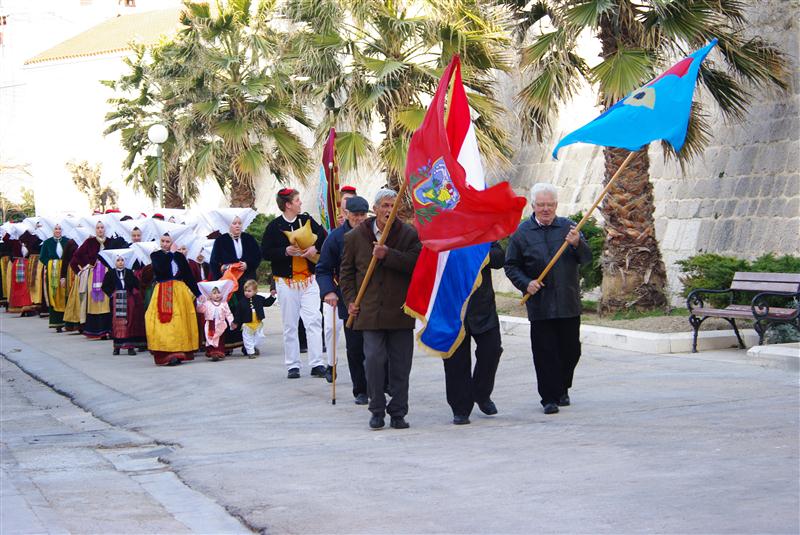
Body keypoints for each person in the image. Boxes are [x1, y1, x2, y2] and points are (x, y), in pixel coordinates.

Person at [504, 183, 592, 415]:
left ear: (556, 205)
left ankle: (562, 387)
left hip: (567, 301)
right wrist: (526, 283)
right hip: (540, 304)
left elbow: (586, 257)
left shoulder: (569, 229)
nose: (545, 209)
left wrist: (577, 243)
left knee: (571, 350)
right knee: (545, 353)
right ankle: (549, 398)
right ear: (533, 206)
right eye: (541, 205)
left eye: (550, 205)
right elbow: (511, 266)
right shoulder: (521, 233)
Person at [340, 188, 421, 430]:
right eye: (384, 205)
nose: (389, 210)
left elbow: (416, 265)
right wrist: (351, 300)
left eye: (393, 205)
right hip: (370, 312)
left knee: (400, 364)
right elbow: (346, 273)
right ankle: (376, 409)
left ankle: (398, 412)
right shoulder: (355, 237)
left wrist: (389, 255)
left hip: (399, 312)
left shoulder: (408, 234)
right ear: (374, 210)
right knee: (374, 360)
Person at [261, 188, 328, 379]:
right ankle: (293, 365)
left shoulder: (306, 220)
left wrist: (315, 247)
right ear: (288, 204)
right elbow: (265, 252)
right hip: (286, 282)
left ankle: (317, 363)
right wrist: (285, 251)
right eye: (297, 200)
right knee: (290, 324)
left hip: (309, 279)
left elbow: (323, 235)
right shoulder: (274, 226)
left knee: (314, 320)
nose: (300, 203)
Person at [443, 242, 506, 425]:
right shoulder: (442, 230)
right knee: (456, 360)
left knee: (492, 350)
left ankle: (481, 393)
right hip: (452, 305)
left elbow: (499, 258)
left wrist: (477, 251)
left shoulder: (482, 230)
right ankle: (460, 408)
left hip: (482, 305)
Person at [317, 195, 370, 403]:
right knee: (356, 347)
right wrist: (328, 291)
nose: (359, 219)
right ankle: (361, 390)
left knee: (377, 346)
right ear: (346, 214)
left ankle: (382, 384)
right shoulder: (336, 238)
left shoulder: (373, 233)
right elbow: (322, 269)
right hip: (349, 297)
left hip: (374, 297)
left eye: (362, 215)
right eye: (355, 215)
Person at [209, 210, 262, 354]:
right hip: (230, 282)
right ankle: (228, 345)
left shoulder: (249, 238)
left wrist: (248, 264)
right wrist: (223, 269)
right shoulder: (221, 240)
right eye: (234, 223)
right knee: (229, 312)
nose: (237, 226)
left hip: (246, 282)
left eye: (239, 223)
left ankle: (248, 345)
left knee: (248, 312)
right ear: (229, 225)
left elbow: (257, 256)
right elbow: (214, 261)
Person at [145, 233, 200, 366]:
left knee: (180, 321)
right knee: (165, 322)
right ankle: (166, 353)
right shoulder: (156, 255)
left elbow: (188, 276)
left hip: (180, 292)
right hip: (163, 290)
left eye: (167, 241)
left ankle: (179, 351)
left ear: (172, 242)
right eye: (163, 241)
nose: (164, 244)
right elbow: (161, 269)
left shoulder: (180, 256)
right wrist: (170, 254)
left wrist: (198, 293)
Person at [69, 219, 113, 339]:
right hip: (93, 276)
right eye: (98, 227)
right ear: (95, 229)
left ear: (105, 229)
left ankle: (108, 329)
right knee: (94, 302)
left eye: (102, 227)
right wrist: (85, 267)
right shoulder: (89, 242)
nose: (100, 230)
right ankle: (96, 330)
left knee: (107, 302)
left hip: (107, 275)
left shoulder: (111, 242)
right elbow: (76, 256)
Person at [100, 249, 146, 355]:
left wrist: (133, 292)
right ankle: (117, 346)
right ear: (114, 262)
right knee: (118, 323)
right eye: (118, 260)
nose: (120, 262)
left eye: (122, 260)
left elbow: (136, 284)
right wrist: (112, 294)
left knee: (129, 322)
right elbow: (105, 286)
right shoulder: (110, 273)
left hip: (128, 300)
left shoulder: (129, 272)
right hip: (117, 300)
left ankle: (130, 346)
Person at [232, 279, 276, 357]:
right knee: (247, 338)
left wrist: (272, 296)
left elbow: (267, 303)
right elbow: (238, 314)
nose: (247, 293)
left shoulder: (259, 298)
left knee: (260, 338)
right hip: (247, 324)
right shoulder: (242, 302)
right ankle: (250, 352)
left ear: (255, 291)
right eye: (245, 291)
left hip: (258, 324)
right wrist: (235, 322)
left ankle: (252, 347)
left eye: (249, 291)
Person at [38, 222, 69, 332]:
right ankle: (57, 323)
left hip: (65, 271)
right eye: (56, 229)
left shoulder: (67, 241)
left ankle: (67, 321)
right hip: (53, 272)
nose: (57, 231)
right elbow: (42, 257)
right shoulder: (47, 243)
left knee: (66, 294)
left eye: (59, 229)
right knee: (54, 295)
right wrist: (51, 264)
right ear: (52, 230)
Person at [196, 280, 235, 361]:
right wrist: (200, 303)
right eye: (214, 293)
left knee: (220, 338)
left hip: (220, 324)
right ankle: (212, 352)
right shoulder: (207, 303)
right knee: (210, 338)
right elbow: (200, 310)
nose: (217, 295)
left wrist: (231, 322)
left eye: (218, 293)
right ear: (210, 295)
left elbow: (228, 314)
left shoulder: (224, 304)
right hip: (210, 324)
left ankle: (219, 352)